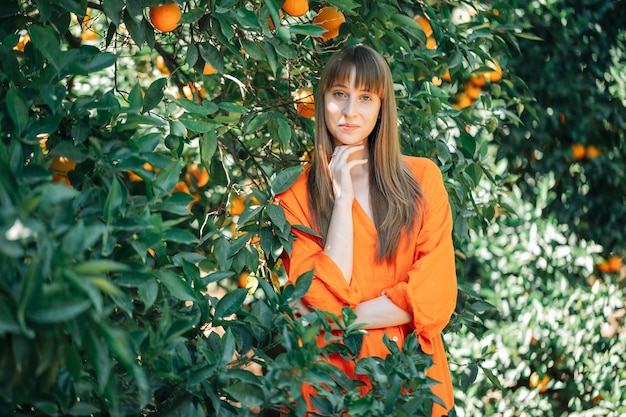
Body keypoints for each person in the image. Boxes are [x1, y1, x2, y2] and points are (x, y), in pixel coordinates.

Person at [277, 44, 457, 417]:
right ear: (323, 99)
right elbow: (318, 297)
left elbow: (435, 295)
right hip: (329, 387)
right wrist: (341, 202)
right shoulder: (293, 197)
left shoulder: (423, 180)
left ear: (381, 106)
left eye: (365, 97)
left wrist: (340, 317)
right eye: (339, 94)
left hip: (412, 385)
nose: (350, 112)